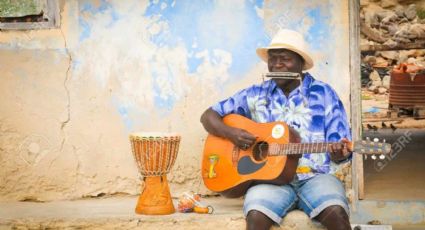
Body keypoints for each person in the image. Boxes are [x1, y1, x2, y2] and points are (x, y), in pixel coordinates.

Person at [200, 29, 353, 230]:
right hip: (270, 181)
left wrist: (339, 153)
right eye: (273, 59)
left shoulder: (324, 94)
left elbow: (340, 150)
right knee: (255, 216)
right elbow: (208, 116)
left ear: (300, 63)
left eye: (285, 59)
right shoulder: (256, 93)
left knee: (337, 214)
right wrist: (232, 134)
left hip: (317, 177)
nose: (277, 64)